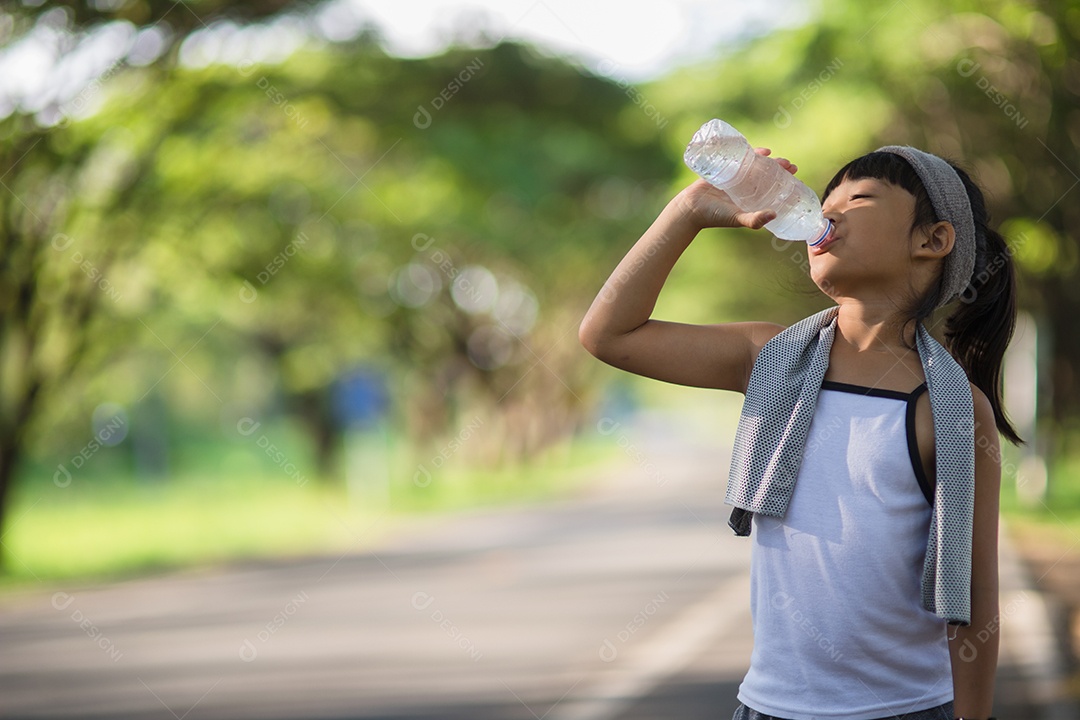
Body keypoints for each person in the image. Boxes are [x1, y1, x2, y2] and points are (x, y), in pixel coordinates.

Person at [578, 144, 1020, 720]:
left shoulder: (954, 408)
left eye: (858, 198)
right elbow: (608, 334)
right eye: (825, 198)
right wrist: (687, 213)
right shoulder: (769, 357)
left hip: (908, 708)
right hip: (768, 707)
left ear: (932, 240)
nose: (826, 211)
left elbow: (976, 594)